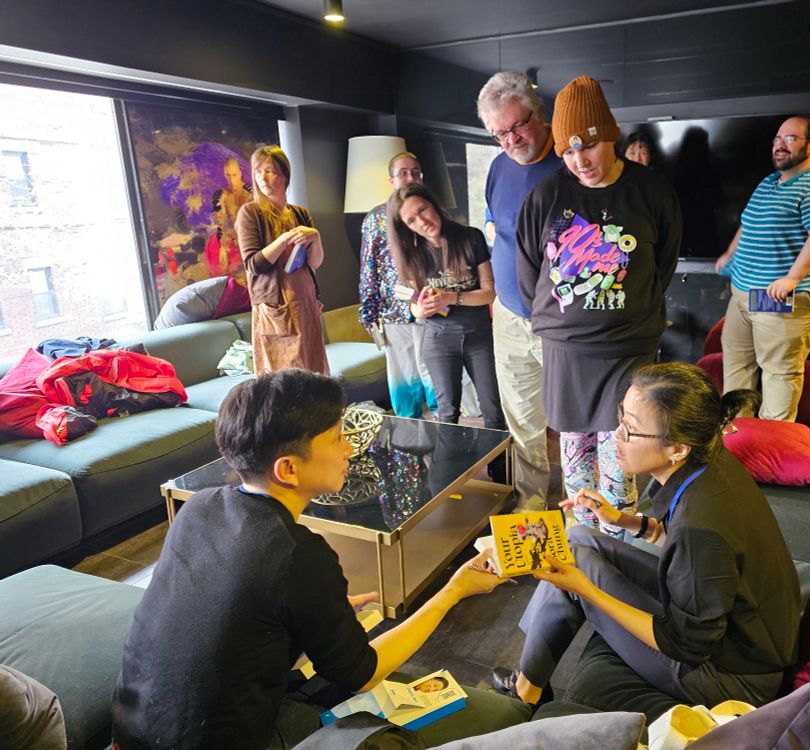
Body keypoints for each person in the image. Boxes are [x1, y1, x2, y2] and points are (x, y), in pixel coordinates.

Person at [111, 369, 513, 750]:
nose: (350, 448)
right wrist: (453, 591)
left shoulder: (201, 506)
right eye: (338, 438)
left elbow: (233, 612)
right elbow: (362, 673)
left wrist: (312, 619)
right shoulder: (297, 553)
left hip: (135, 729)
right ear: (287, 468)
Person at [491, 363, 800, 711]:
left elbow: (686, 644)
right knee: (579, 537)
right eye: (621, 419)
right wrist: (620, 519)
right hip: (724, 637)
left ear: (677, 448)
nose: (617, 436)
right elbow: (684, 549)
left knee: (575, 567)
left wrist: (586, 592)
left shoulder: (704, 525)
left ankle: (525, 694)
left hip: (727, 676)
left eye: (631, 430)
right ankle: (528, 683)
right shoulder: (705, 465)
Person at [517, 76, 682, 539]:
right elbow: (530, 273)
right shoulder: (546, 195)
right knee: (574, 456)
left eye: (588, 146)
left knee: (620, 453)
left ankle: (620, 542)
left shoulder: (652, 191)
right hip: (567, 352)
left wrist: (625, 308)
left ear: (609, 135)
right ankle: (586, 544)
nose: (580, 161)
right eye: (568, 152)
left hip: (628, 349)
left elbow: (662, 265)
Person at [713, 116, 810, 422]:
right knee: (737, 363)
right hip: (746, 292)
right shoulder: (769, 183)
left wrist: (792, 278)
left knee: (778, 371)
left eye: (790, 139)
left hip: (781, 296)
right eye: (777, 139)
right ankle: (738, 435)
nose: (780, 146)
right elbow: (747, 224)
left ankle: (771, 443)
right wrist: (730, 255)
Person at [477, 70, 563, 511]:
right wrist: (494, 296)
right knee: (524, 424)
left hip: (562, 325)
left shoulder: (573, 165)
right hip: (510, 317)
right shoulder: (497, 168)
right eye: (499, 133)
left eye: (518, 125)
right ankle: (532, 508)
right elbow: (497, 232)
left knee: (571, 424)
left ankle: (576, 509)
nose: (511, 139)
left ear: (540, 110)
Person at [387, 183, 505, 433]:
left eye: (423, 210)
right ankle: (450, 470)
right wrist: (423, 307)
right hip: (439, 339)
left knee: (493, 410)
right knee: (447, 412)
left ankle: (501, 472)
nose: (422, 221)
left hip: (479, 336)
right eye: (411, 220)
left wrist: (451, 298)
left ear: (434, 205)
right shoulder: (411, 255)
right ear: (406, 227)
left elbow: (489, 293)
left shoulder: (470, 237)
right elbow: (415, 311)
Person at [357, 152, 439, 418]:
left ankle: (446, 427)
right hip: (393, 312)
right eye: (404, 173)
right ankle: (409, 438)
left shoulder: (432, 213)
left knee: (436, 373)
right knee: (404, 378)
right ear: (392, 180)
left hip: (431, 307)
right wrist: (368, 313)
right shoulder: (376, 218)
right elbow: (368, 268)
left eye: (415, 172)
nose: (410, 177)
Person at [235, 145, 328, 375]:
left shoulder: (299, 213)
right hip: (276, 306)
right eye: (258, 172)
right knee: (287, 377)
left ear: (284, 175)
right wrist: (285, 238)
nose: (263, 178)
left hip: (305, 301)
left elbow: (314, 263)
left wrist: (315, 237)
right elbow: (253, 264)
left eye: (270, 171)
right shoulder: (250, 213)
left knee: (315, 371)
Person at [206, 156, 252, 277]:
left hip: (249, 239)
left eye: (235, 175)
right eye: (228, 175)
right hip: (228, 241)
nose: (232, 179)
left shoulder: (250, 192)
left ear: (240, 173)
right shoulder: (221, 194)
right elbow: (220, 220)